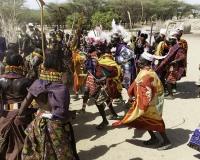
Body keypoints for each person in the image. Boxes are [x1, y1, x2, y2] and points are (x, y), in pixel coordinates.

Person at [18, 53, 79, 160]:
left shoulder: (36, 85)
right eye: (60, 66)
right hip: (55, 127)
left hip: (37, 126)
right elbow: (61, 118)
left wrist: (39, 111)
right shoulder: (61, 88)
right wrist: (72, 114)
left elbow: (21, 112)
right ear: (58, 67)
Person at [112, 51, 171, 150]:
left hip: (149, 104)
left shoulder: (146, 75)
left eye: (140, 60)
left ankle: (167, 141)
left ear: (146, 62)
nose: (138, 61)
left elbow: (146, 92)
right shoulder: (146, 71)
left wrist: (139, 102)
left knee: (156, 122)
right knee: (144, 121)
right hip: (147, 102)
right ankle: (153, 138)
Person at [0, 50, 34, 160]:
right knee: (22, 144)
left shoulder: (1, 80)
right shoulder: (26, 80)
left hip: (5, 116)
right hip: (22, 117)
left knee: (5, 144)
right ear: (20, 63)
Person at [155, 29, 185, 99]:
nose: (170, 40)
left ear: (175, 40)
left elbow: (183, 57)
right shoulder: (173, 47)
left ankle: (171, 95)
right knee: (168, 79)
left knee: (169, 81)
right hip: (171, 66)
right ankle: (169, 93)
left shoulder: (178, 48)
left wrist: (174, 61)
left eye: (171, 39)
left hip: (174, 67)